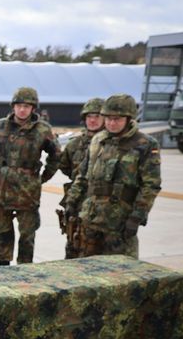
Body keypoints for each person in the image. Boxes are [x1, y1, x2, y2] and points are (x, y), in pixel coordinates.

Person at [65, 94, 161, 258]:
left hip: (119, 222)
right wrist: (72, 201)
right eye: (108, 118)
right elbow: (83, 176)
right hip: (91, 217)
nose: (111, 123)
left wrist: (137, 217)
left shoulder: (145, 144)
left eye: (117, 119)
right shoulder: (98, 140)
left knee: (121, 272)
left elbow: (150, 186)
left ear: (129, 118)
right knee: (85, 267)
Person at [0, 87, 60, 265]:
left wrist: (43, 177)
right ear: (13, 107)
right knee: (3, 230)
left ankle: (24, 270)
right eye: (19, 105)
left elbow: (56, 156)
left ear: (33, 108)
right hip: (2, 188)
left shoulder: (42, 129)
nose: (22, 109)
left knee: (27, 233)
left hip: (28, 191)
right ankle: (4, 267)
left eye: (27, 106)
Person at [58, 97, 105, 258]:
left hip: (101, 205)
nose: (93, 120)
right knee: (74, 242)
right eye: (89, 117)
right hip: (77, 201)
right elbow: (64, 166)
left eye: (97, 116)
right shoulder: (74, 144)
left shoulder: (111, 144)